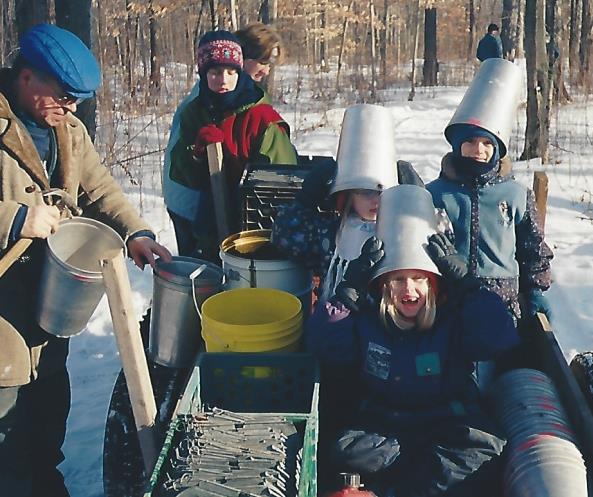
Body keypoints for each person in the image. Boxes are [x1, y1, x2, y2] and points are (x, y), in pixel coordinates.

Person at [0, 24, 171, 497]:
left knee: (45, 426)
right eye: (63, 96)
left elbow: (98, 188)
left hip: (49, 308)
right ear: (27, 77)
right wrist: (14, 219)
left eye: (77, 100)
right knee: (6, 444)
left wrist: (135, 230)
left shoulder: (67, 130)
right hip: (2, 320)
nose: (70, 108)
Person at [307, 184, 520, 496]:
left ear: (433, 285)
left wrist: (469, 287)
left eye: (419, 279)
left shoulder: (452, 318)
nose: (409, 289)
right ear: (383, 286)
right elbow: (326, 347)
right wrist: (347, 294)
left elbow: (498, 338)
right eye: (398, 280)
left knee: (481, 454)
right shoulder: (369, 319)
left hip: (446, 422)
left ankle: (403, 486)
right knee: (345, 451)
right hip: (384, 426)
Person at [427, 59, 553, 323]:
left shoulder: (516, 194)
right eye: (470, 141)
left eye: (487, 143)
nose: (479, 150)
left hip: (503, 299)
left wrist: (534, 289)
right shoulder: (436, 193)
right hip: (449, 297)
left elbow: (532, 246)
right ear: (457, 144)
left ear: (497, 149)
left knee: (499, 358)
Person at [168, 29, 296, 261]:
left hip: (253, 235)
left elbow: (281, 182)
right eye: (215, 72)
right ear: (203, 72)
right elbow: (181, 173)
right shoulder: (194, 112)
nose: (223, 79)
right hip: (205, 224)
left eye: (231, 71)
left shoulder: (261, 119)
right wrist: (197, 154)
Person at [273, 104, 398, 303]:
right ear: (349, 195)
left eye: (382, 193)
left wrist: (419, 202)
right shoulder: (332, 234)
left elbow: (431, 246)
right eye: (365, 193)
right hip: (337, 323)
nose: (376, 200)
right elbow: (284, 238)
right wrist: (305, 201)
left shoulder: (399, 231)